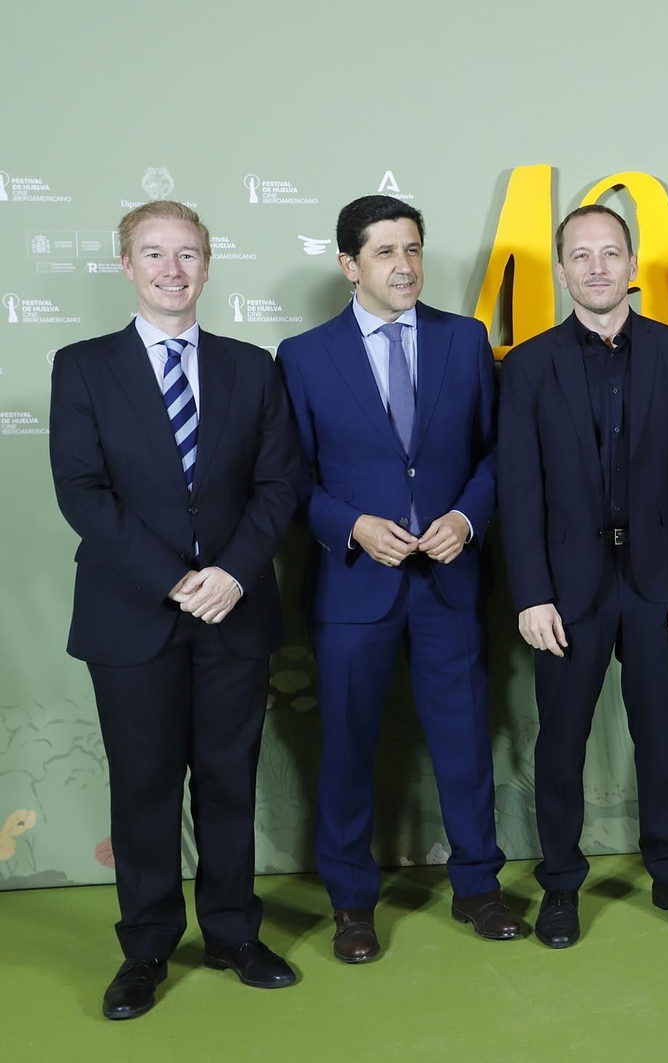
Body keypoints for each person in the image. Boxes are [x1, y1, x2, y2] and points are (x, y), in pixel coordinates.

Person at [49, 201, 300, 1019]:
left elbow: (278, 484)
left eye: (187, 253)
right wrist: (175, 579)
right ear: (127, 265)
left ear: (207, 263)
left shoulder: (253, 367)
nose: (171, 269)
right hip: (132, 615)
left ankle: (233, 932)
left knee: (229, 782)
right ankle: (147, 948)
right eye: (153, 253)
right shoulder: (83, 367)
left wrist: (231, 572)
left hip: (235, 610)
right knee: (144, 787)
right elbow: (82, 491)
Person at [278, 195, 515, 962]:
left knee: (465, 741)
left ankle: (479, 886)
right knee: (347, 747)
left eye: (412, 248)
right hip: (354, 584)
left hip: (449, 580)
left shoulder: (465, 339)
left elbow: (495, 454)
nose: (404, 265)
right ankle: (351, 903)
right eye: (384, 252)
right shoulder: (304, 357)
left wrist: (467, 518)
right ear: (350, 265)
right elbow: (291, 479)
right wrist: (352, 525)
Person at [498, 205, 668, 948]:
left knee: (662, 736)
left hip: (659, 580)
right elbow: (518, 491)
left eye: (610, 252)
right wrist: (531, 592)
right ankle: (560, 883)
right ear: (563, 271)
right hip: (566, 589)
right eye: (581, 255)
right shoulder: (528, 365)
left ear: (632, 264)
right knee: (561, 741)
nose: (597, 267)